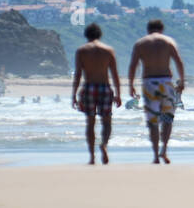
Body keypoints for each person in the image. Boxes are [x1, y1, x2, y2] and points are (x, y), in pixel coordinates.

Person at [128, 19, 185, 165]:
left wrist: (131, 85)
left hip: (149, 83)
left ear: (148, 29)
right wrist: (182, 81)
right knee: (167, 118)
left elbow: (133, 65)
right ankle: (164, 150)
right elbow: (178, 62)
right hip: (166, 82)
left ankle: (154, 155)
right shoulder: (168, 42)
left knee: (152, 121)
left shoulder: (141, 43)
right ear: (162, 29)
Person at [71, 23, 121, 165]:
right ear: (100, 34)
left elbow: (78, 75)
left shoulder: (81, 51)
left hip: (88, 88)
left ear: (86, 35)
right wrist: (118, 94)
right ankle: (104, 144)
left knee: (90, 123)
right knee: (107, 121)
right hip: (105, 87)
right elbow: (115, 74)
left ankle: (92, 157)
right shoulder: (108, 50)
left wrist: (74, 95)